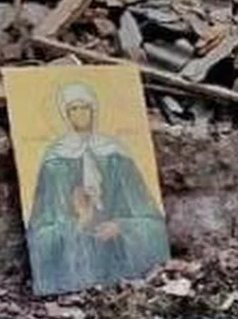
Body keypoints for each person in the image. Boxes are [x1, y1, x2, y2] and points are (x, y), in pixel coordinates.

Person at [25, 81, 169, 295]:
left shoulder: (116, 156)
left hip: (120, 262)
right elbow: (41, 233)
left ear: (94, 110)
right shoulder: (54, 163)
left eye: (85, 107)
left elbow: (152, 222)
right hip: (78, 267)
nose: (80, 113)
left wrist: (121, 226)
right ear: (64, 114)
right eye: (73, 108)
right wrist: (79, 224)